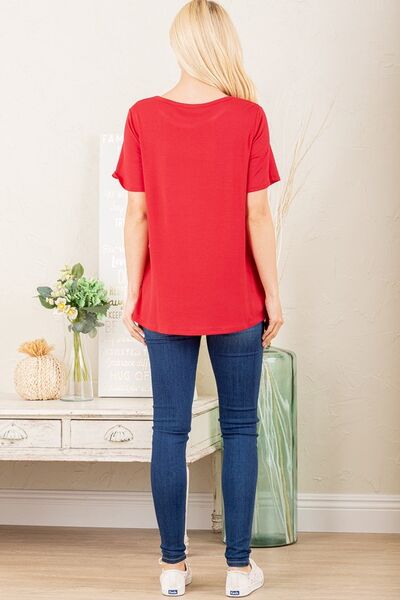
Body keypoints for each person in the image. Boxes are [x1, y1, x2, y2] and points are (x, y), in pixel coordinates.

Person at [112, 0, 283, 596]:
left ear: (180, 43)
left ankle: (172, 569)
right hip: (237, 298)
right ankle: (238, 571)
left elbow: (136, 217)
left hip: (167, 299)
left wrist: (134, 293)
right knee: (239, 429)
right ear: (223, 44)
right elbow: (257, 215)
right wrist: (274, 295)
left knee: (169, 430)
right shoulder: (249, 118)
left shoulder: (143, 115)